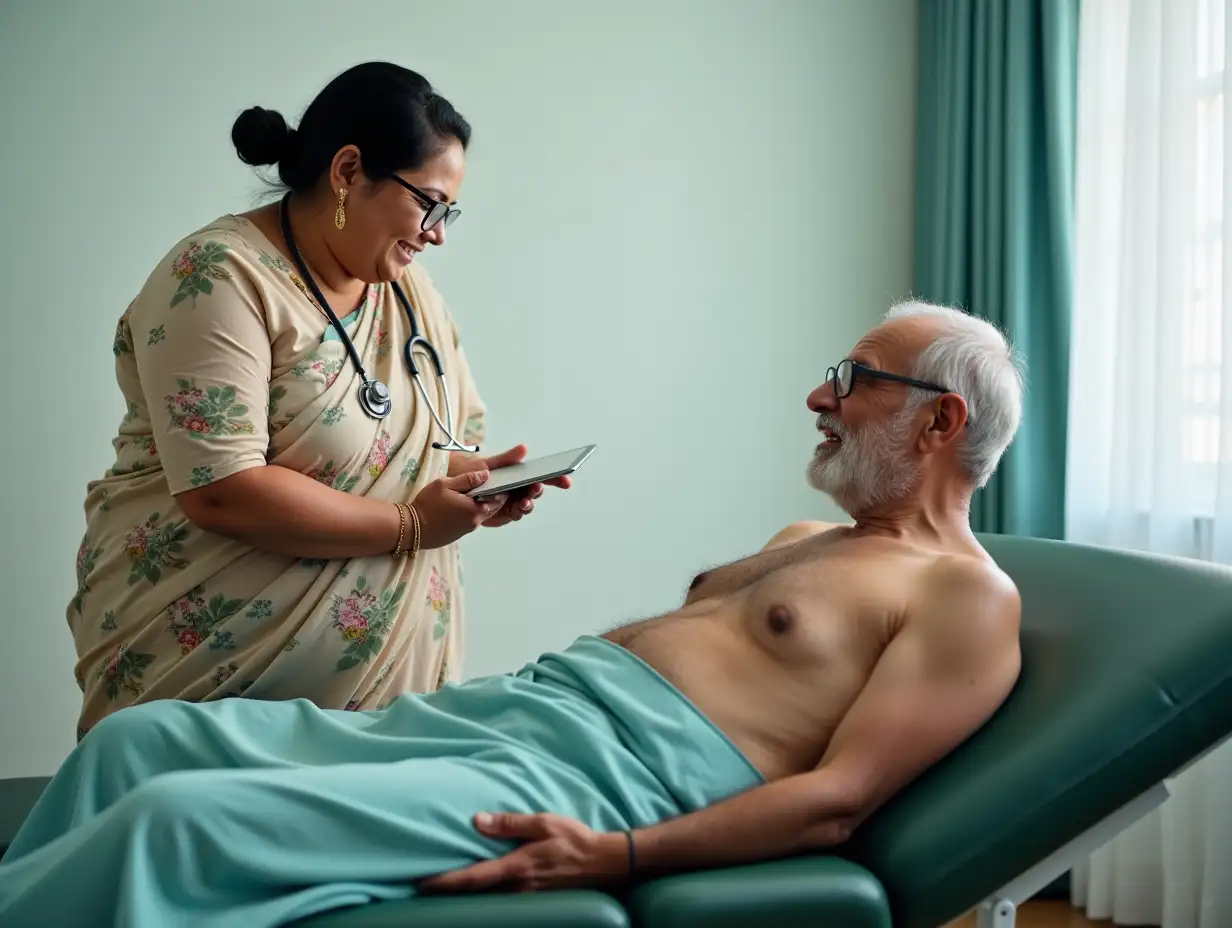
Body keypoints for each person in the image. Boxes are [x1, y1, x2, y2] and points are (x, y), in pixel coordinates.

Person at [2, 301, 1025, 927]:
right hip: (514, 711)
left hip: (591, 781)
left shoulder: (966, 599)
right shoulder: (809, 538)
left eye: (851, 379)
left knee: (175, 826)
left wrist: (615, 855)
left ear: (940, 418)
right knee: (138, 747)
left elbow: (836, 799)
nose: (816, 393)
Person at [66, 61, 568, 739]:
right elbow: (221, 489)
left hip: (387, 712)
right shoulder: (220, 277)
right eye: (428, 203)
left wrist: (480, 485)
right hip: (209, 692)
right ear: (348, 170)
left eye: (450, 211)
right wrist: (411, 529)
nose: (439, 232)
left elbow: (419, 456)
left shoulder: (409, 294)